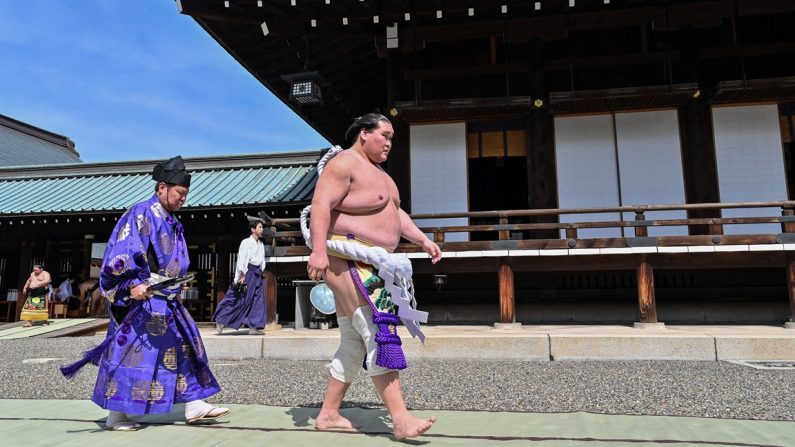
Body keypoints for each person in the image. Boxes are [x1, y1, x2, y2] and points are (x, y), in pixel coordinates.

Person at [60, 156, 229, 431]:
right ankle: (116, 415)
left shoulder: (172, 221)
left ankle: (194, 403)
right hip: (141, 297)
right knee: (130, 354)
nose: (183, 199)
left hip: (166, 296)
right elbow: (121, 253)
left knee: (185, 343)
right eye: (180, 193)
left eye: (186, 194)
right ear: (162, 187)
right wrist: (130, 285)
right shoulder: (140, 213)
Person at [306, 113, 442, 440]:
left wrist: (422, 239)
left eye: (392, 138)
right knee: (376, 327)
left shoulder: (381, 176)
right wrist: (319, 251)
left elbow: (395, 214)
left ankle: (328, 414)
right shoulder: (344, 163)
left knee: (353, 341)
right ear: (364, 133)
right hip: (347, 258)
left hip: (375, 262)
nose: (389, 143)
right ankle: (400, 418)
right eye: (385, 135)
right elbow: (321, 204)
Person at [213, 217, 267, 335]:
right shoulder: (246, 242)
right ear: (253, 229)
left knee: (257, 300)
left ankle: (254, 326)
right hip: (248, 273)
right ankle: (221, 320)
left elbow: (262, 260)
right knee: (242, 300)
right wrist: (242, 275)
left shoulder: (261, 244)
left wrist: (261, 271)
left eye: (262, 227)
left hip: (257, 273)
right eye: (260, 227)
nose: (262, 229)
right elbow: (242, 259)